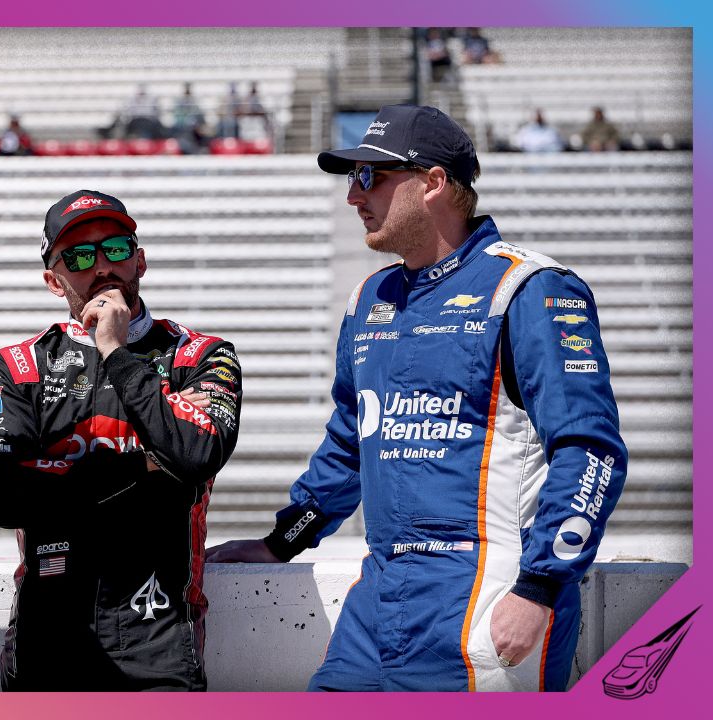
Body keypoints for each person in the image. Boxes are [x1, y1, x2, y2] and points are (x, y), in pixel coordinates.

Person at [208, 104, 626, 692]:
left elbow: (591, 450)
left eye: (369, 177)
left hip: (488, 596)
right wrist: (284, 542)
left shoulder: (529, 288)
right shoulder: (369, 298)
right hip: (379, 597)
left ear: (433, 183)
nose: (354, 196)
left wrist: (539, 588)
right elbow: (351, 443)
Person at [0, 189, 243, 691]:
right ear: (54, 280)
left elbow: (195, 454)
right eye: (78, 256)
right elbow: (3, 495)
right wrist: (143, 468)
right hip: (46, 631)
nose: (101, 266)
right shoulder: (19, 364)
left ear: (139, 259)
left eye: (115, 249)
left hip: (160, 632)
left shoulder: (202, 354)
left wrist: (116, 353)